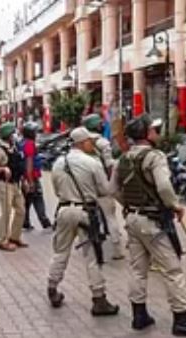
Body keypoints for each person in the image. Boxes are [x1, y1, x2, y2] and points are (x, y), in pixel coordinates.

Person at [113, 115, 186, 336]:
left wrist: (130, 205)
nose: (156, 133)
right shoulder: (155, 157)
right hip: (153, 221)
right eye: (153, 130)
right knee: (172, 269)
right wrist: (174, 205)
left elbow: (113, 190)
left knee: (138, 270)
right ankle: (182, 319)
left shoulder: (123, 158)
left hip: (132, 219)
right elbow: (164, 187)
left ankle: (139, 315)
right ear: (147, 134)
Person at [46, 127, 120, 315]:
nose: (92, 144)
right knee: (92, 256)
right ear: (82, 142)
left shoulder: (58, 163)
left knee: (60, 252)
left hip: (63, 210)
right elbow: (105, 190)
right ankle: (99, 298)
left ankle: (52, 287)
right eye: (89, 141)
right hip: (86, 213)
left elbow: (56, 190)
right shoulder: (92, 163)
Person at [83, 113, 127, 259]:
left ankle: (91, 246)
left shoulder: (81, 143)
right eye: (100, 124)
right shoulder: (102, 143)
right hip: (102, 184)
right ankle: (117, 249)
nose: (102, 125)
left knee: (89, 216)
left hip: (85, 185)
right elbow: (109, 165)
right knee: (110, 216)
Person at [0, 122, 27, 251]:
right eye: (12, 134)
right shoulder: (0, 151)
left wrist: (24, 180)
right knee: (6, 212)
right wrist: (3, 169)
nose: (15, 136)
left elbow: (18, 165)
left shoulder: (14, 148)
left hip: (16, 183)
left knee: (21, 210)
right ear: (8, 135)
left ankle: (14, 237)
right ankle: (3, 240)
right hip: (5, 184)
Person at [21, 122, 53, 230]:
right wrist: (31, 181)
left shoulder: (22, 142)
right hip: (31, 177)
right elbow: (29, 163)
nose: (36, 134)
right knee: (38, 198)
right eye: (35, 132)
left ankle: (25, 221)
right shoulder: (30, 144)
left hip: (24, 177)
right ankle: (45, 221)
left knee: (27, 200)